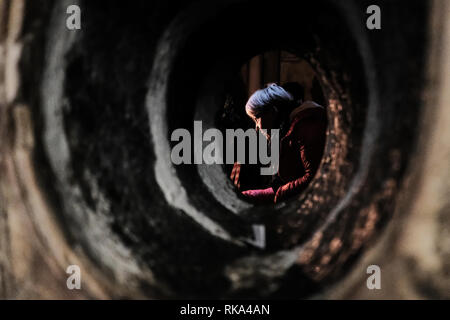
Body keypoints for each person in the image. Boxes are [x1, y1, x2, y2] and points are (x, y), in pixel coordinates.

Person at [238, 83, 327, 203]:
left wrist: (280, 193)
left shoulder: (307, 125)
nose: (257, 127)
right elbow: (282, 185)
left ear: (273, 111)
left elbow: (315, 177)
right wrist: (250, 195)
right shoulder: (287, 130)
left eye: (256, 118)